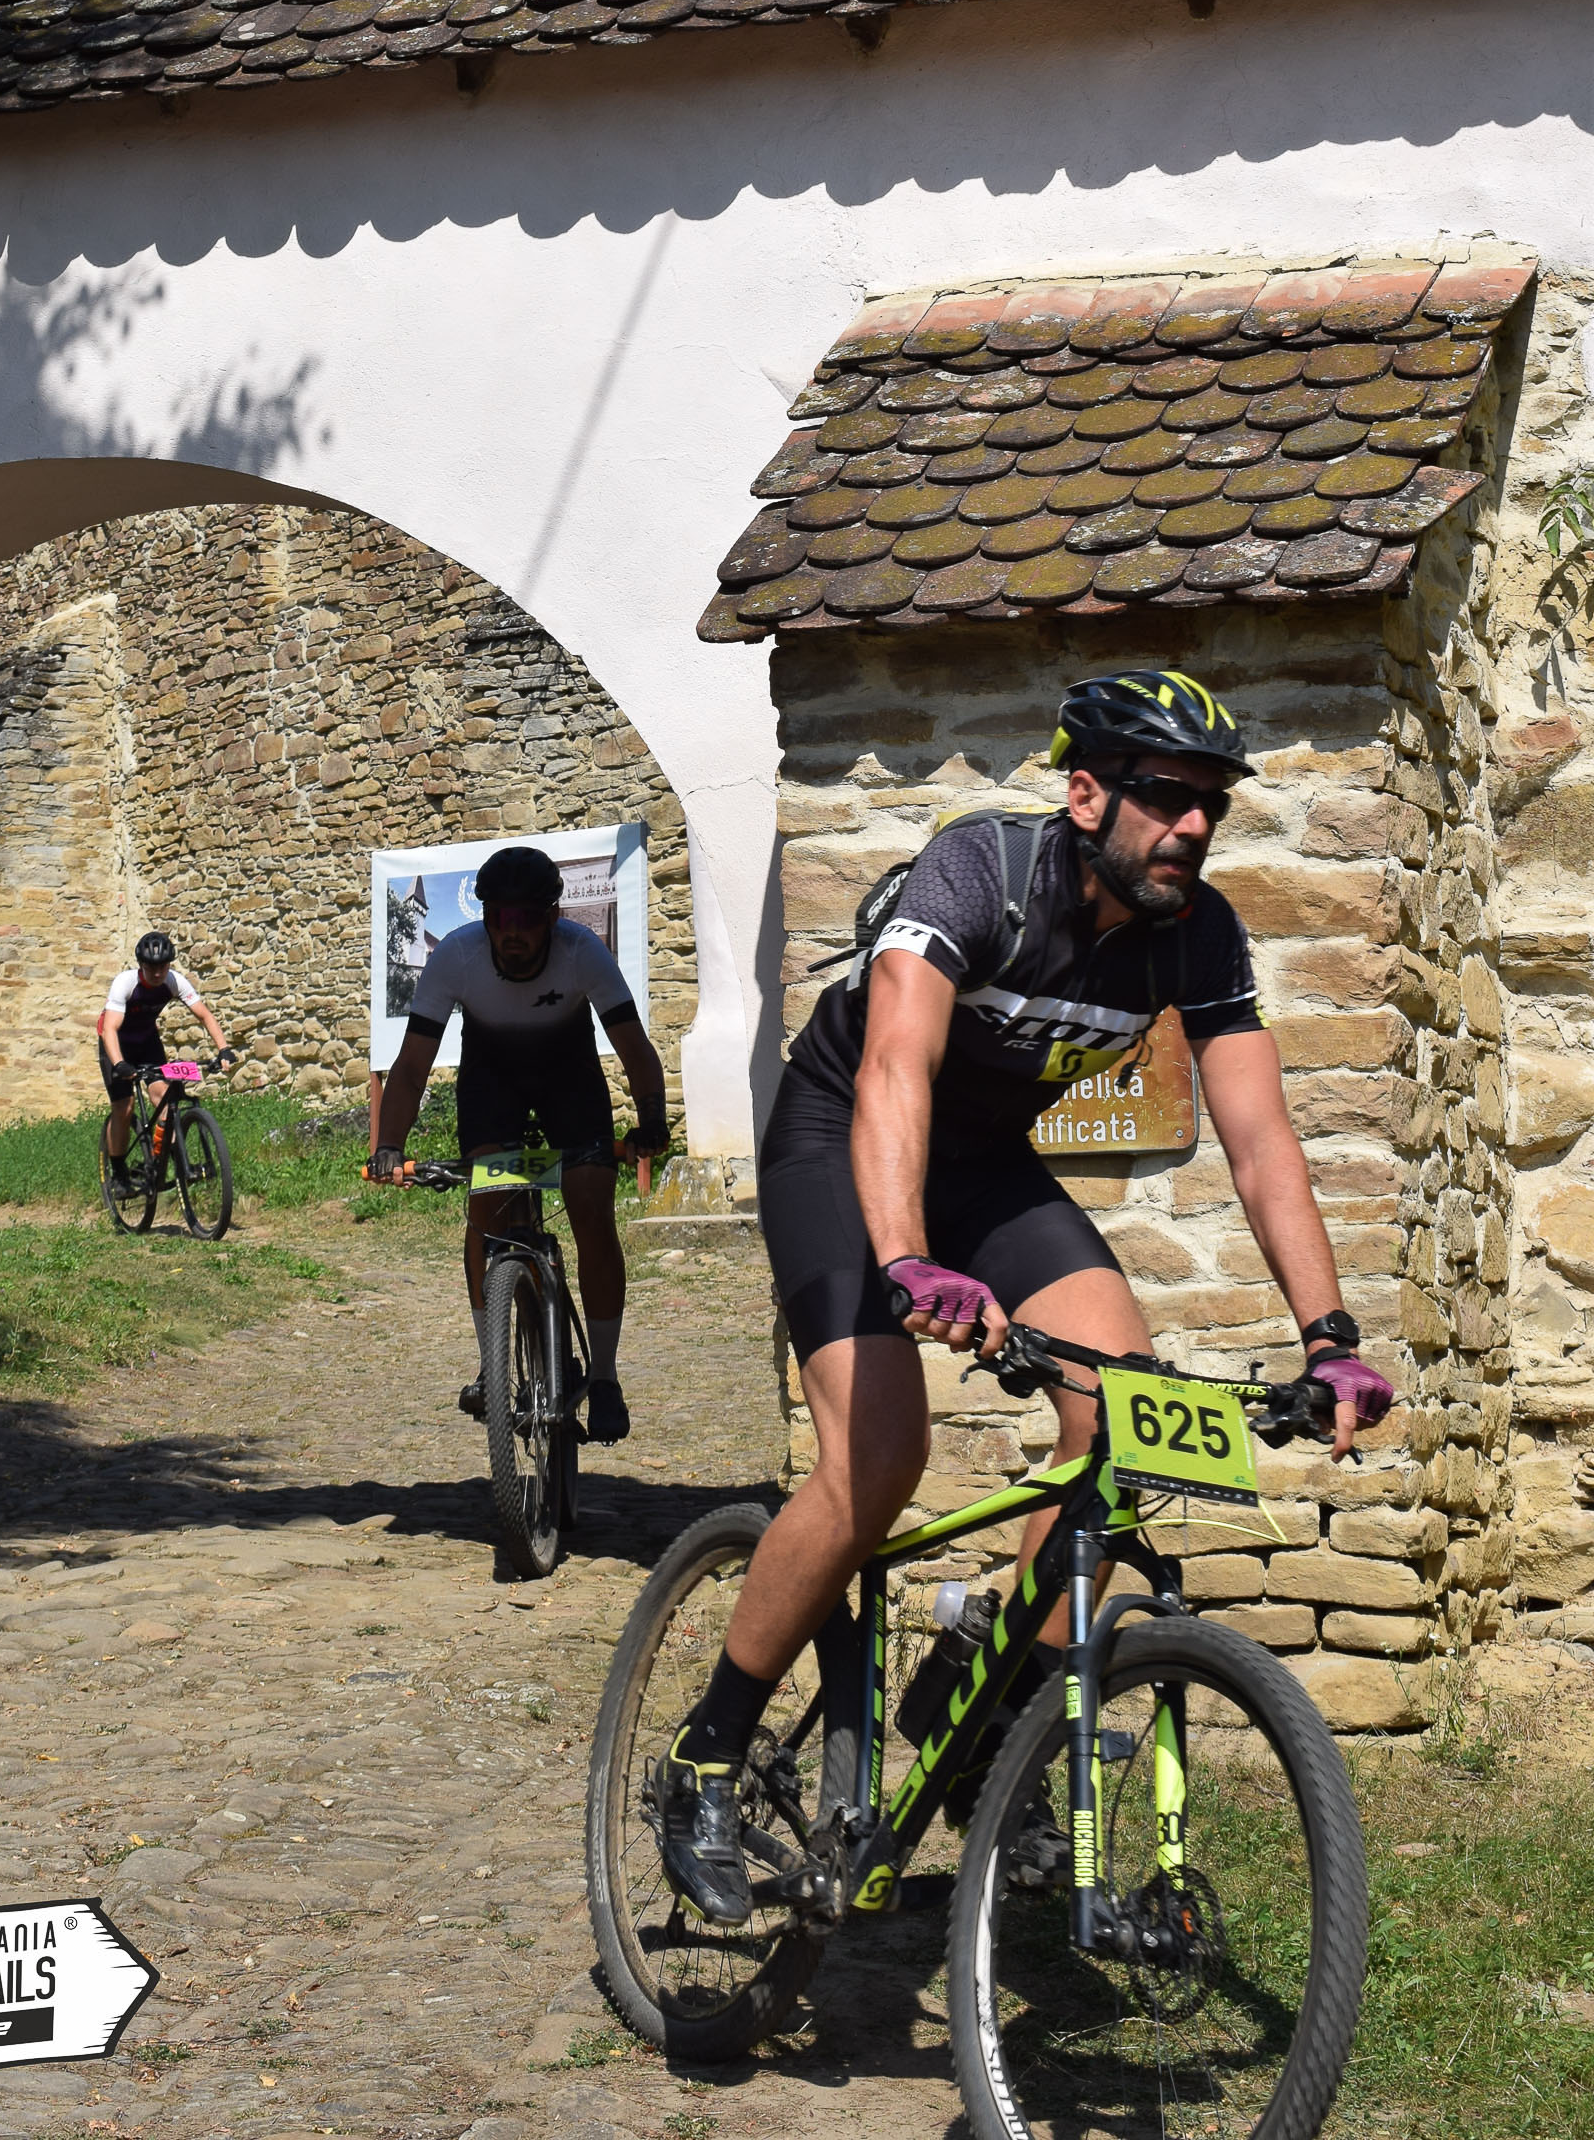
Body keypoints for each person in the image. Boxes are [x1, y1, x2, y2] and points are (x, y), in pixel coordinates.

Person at [654, 667, 1396, 1924]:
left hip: (986, 1168)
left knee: (1119, 1421)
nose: (1192, 826)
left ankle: (982, 1713)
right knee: (876, 1458)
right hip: (838, 1140)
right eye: (1165, 797)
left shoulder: (1199, 931)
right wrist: (905, 1259)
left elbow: (1260, 1139)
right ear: (1086, 794)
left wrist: (1328, 1337)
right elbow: (893, 1068)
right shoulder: (978, 875)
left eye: (1210, 803)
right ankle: (706, 1754)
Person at [368, 843, 670, 1445]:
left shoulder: (583, 952)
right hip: (493, 1082)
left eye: (527, 919)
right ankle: (493, 1363)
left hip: (569, 1079)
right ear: (484, 919)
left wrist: (652, 1124)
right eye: (499, 918)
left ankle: (605, 1377)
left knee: (591, 1208)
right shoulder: (456, 957)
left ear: (553, 917)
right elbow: (413, 1064)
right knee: (485, 1210)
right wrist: (390, 1144)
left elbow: (635, 1049)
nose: (512, 933)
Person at [98, 931, 231, 1189]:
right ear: (141, 965)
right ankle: (119, 1174)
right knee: (124, 1107)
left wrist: (223, 1049)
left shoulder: (175, 981)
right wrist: (119, 1064)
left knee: (165, 1098)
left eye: (163, 966)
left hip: (147, 1042)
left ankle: (169, 1161)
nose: (158, 973)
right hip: (115, 1045)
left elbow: (204, 1015)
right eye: (151, 967)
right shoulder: (125, 983)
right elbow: (109, 1029)